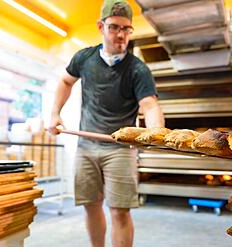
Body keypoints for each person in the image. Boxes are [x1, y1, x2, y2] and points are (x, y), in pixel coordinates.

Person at [49, 0, 164, 246]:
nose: (121, 34)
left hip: (120, 150)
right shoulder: (84, 58)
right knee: (91, 206)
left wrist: (156, 133)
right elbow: (65, 82)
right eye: (114, 27)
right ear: (101, 26)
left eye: (126, 28)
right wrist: (55, 114)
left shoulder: (138, 70)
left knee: (120, 211)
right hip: (86, 146)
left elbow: (150, 105)